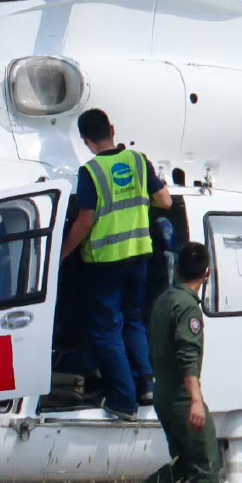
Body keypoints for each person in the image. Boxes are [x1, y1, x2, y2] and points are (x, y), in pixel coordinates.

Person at [60, 108, 172, 417]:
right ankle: (147, 384)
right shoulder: (138, 160)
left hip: (105, 262)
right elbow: (165, 201)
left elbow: (85, 221)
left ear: (85, 141)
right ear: (112, 129)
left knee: (106, 331)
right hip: (139, 256)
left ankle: (124, 400)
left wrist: (63, 254)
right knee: (133, 319)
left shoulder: (91, 172)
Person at [124, 242, 221, 483]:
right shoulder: (188, 308)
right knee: (205, 464)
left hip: (163, 394)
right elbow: (187, 354)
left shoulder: (163, 300)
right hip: (181, 397)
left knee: (184, 464)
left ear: (177, 269)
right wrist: (195, 400)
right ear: (207, 274)